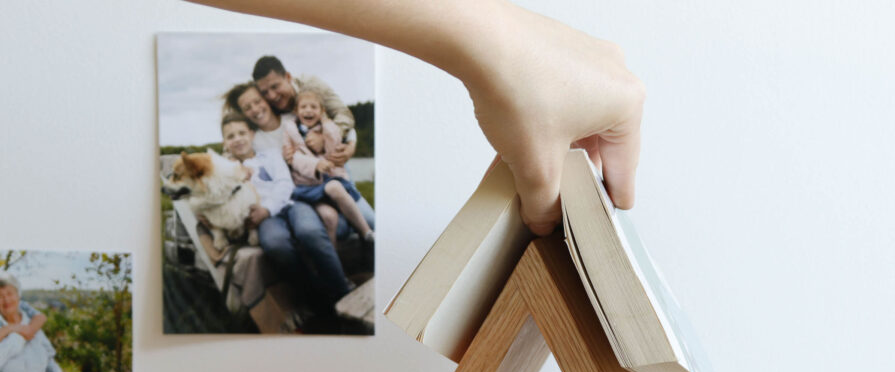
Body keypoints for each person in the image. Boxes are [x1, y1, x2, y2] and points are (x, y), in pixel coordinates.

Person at [189, 0, 645, 236]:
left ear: (286, 80)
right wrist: (492, 38)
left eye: (272, 91)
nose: (268, 98)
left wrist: (342, 139)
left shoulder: (311, 92)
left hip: (326, 162)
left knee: (341, 196)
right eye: (261, 98)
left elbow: (339, 116)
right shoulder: (271, 128)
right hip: (303, 180)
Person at [219, 110, 352, 310]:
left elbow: (284, 184)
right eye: (230, 136)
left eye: (242, 133)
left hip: (291, 204)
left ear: (252, 135)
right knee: (275, 243)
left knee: (310, 231)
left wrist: (267, 208)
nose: (237, 139)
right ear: (225, 142)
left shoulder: (270, 155)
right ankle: (314, 292)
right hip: (264, 218)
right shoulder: (228, 169)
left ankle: (341, 288)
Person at [287, 87, 375, 247]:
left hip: (330, 180)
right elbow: (294, 157)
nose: (308, 111)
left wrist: (326, 124)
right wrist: (316, 164)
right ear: (296, 111)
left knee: (332, 200)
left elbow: (335, 146)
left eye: (314, 107)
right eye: (304, 107)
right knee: (329, 212)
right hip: (309, 187)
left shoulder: (327, 128)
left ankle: (364, 232)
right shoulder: (292, 131)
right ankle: (336, 253)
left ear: (322, 111)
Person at [251, 54, 357, 167]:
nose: (271, 96)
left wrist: (335, 140)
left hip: (328, 160)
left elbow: (343, 114)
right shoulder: (262, 103)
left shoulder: (312, 85)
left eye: (275, 86)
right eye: (265, 92)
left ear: (288, 77)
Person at [0, 271, 66, 372]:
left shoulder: (34, 326)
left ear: (19, 296)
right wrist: (15, 331)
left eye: (10, 293)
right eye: (0, 296)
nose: (5, 300)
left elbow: (49, 357)